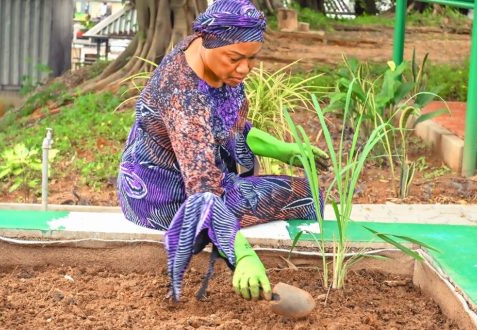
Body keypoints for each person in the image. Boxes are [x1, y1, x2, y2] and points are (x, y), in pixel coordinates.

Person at [116, 0, 328, 303]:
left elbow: (230, 127)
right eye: (235, 58)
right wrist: (242, 256)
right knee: (304, 196)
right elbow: (203, 190)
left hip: (196, 177)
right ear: (207, 42)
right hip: (162, 195)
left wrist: (284, 150)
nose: (244, 68)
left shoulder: (210, 58)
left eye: (252, 58)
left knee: (308, 195)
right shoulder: (184, 97)